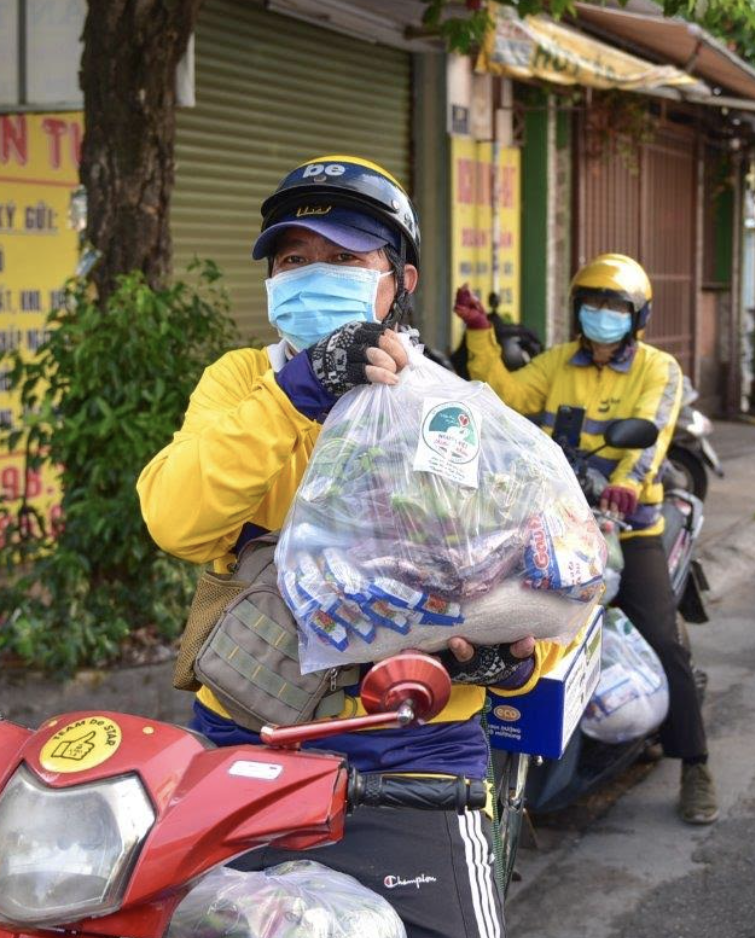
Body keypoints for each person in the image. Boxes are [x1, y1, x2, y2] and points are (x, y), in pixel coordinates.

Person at [139, 154, 557, 938]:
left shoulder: (452, 408)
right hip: (247, 737)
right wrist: (297, 393)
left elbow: (510, 570)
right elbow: (177, 520)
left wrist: (508, 661)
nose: (311, 274)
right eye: (294, 259)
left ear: (401, 280)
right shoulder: (241, 383)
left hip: (414, 750)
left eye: (343, 259)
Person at [454, 253, 719, 825]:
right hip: (549, 523)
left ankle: (695, 765)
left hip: (631, 524)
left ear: (637, 315)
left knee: (660, 637)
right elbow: (502, 395)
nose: (602, 314)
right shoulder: (557, 363)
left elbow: (651, 439)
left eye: (615, 306)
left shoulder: (659, 368)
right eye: (592, 303)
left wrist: (624, 487)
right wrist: (479, 333)